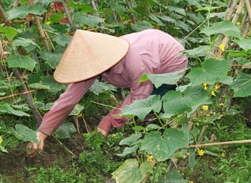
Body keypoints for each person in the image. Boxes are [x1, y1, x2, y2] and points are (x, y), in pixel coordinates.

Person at [27, 28, 188, 156]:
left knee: (150, 111)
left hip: (170, 62)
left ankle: (157, 152)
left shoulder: (135, 61)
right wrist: (42, 131)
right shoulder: (97, 62)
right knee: (138, 111)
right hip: (150, 55)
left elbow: (140, 97)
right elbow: (69, 98)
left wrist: (109, 120)